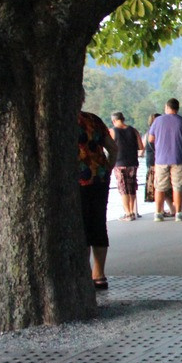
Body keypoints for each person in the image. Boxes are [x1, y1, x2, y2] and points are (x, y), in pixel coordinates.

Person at [79, 103, 118, 290]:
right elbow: (113, 148)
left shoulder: (62, 120)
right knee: (98, 223)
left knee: (82, 227)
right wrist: (107, 168)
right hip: (99, 179)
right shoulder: (93, 120)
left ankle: (85, 274)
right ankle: (99, 274)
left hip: (76, 181)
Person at [147, 98, 182, 221]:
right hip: (178, 157)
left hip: (161, 158)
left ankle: (158, 213)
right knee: (178, 186)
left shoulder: (158, 121)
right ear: (177, 108)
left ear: (166, 107)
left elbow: (150, 139)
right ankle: (179, 213)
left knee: (160, 187)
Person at [109, 111, 143, 220]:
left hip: (119, 163)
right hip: (133, 162)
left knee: (123, 188)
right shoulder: (133, 130)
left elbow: (109, 147)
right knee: (132, 187)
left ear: (114, 121)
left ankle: (128, 213)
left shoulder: (112, 131)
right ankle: (132, 211)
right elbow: (141, 146)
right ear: (123, 119)